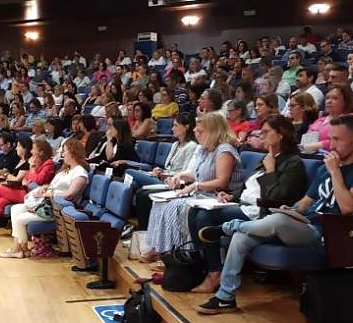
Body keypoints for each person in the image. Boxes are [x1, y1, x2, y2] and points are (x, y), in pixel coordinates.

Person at [196, 115, 353, 315]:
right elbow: (305, 203)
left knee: (270, 223)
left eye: (337, 139)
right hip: (305, 225)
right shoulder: (324, 168)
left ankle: (229, 226)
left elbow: (348, 207)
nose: (331, 145)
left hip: (330, 234)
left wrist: (336, 174)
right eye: (331, 139)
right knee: (244, 236)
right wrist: (291, 210)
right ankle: (226, 297)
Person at [187, 115, 307, 293]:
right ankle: (202, 266)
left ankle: (214, 272)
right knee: (194, 211)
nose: (261, 136)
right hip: (244, 204)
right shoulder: (267, 157)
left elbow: (276, 198)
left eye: (266, 132)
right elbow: (249, 187)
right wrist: (230, 196)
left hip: (262, 212)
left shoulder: (293, 163)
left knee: (206, 216)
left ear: (280, 135)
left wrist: (271, 169)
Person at [139, 112, 242, 263]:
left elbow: (222, 182)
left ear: (213, 131)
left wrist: (195, 185)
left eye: (200, 131)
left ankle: (180, 254)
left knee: (176, 206)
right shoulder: (203, 149)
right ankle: (162, 248)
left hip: (219, 197)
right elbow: (194, 173)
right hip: (202, 195)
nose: (195, 132)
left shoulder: (224, 150)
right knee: (159, 202)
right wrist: (179, 176)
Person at [0, 138, 89, 259]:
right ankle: (21, 249)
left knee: (20, 219)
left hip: (58, 209)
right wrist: (46, 187)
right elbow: (54, 186)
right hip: (48, 203)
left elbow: (69, 194)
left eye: (65, 151)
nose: (62, 153)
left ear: (73, 152)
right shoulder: (66, 170)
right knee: (15, 209)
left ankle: (18, 249)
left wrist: (49, 194)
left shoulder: (80, 173)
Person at [0, 139, 55, 238]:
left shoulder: (48, 164)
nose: (32, 151)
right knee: (0, 201)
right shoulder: (38, 161)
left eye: (34, 149)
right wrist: (30, 176)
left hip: (35, 196)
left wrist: (32, 167)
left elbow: (37, 180)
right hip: (26, 191)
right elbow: (27, 179)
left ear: (41, 152)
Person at [128, 115, 199, 229]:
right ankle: (137, 228)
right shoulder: (175, 144)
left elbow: (185, 173)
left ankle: (145, 230)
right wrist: (160, 171)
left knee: (130, 173)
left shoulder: (191, 146)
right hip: (164, 177)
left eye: (176, 125)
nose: (172, 129)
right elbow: (169, 166)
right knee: (139, 190)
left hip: (174, 182)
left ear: (186, 127)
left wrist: (164, 174)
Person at [300, 85, 353, 154]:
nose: (329, 101)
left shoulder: (349, 120)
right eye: (327, 98)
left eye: (335, 98)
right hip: (307, 154)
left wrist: (315, 146)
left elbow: (342, 141)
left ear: (345, 101)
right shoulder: (320, 120)